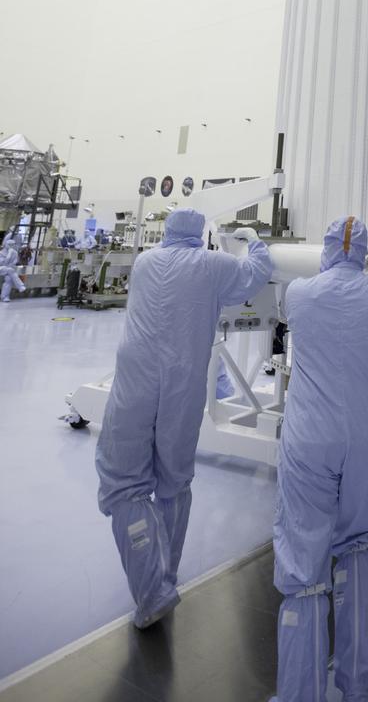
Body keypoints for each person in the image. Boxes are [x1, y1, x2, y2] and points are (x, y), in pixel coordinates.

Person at [95, 209, 272, 629]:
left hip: (134, 379)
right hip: (182, 383)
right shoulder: (212, 265)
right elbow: (256, 273)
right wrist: (252, 238)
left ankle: (149, 589)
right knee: (173, 481)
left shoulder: (144, 262)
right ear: (201, 233)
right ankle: (166, 577)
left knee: (123, 482)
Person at [272, 216, 368, 702]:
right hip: (367, 439)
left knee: (304, 563)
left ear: (328, 249)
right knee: (357, 549)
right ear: (365, 252)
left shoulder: (300, 293)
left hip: (310, 437)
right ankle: (359, 686)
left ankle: (298, 693)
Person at [1, 233, 25, 301]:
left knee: (8, 278)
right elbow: (3, 263)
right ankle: (20, 286)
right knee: (10, 270)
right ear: (5, 245)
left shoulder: (15, 253)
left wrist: (11, 254)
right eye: (9, 245)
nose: (11, 246)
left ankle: (5, 296)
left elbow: (14, 263)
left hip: (9, 270)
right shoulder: (1, 253)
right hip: (1, 269)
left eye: (12, 245)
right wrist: (9, 254)